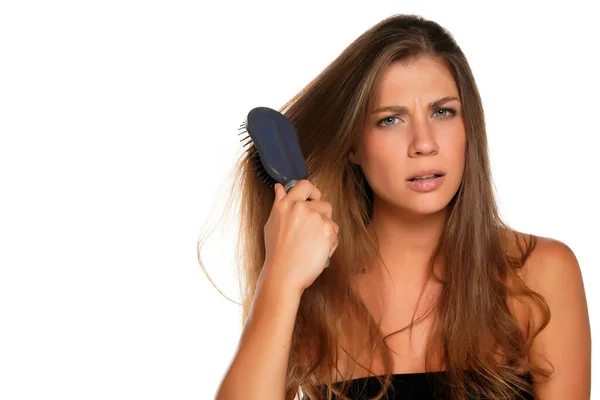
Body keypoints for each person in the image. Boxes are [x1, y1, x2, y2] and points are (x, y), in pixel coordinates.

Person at [206, 13, 591, 400]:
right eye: (390, 120)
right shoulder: (318, 294)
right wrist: (280, 278)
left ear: (469, 127)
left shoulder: (540, 273)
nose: (424, 143)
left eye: (443, 112)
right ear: (353, 144)